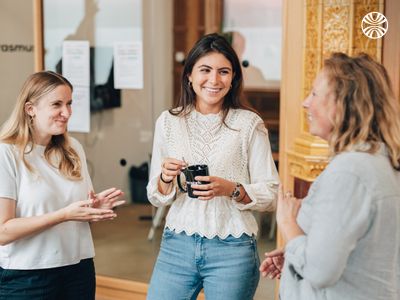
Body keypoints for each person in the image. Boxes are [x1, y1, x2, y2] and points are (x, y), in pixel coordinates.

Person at [146, 33, 279, 300]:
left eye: (224, 72)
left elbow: (272, 193)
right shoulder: (168, 122)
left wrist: (231, 189)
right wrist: (165, 177)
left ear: (233, 79)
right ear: (190, 76)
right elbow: (155, 194)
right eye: (205, 70)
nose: (214, 80)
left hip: (233, 248)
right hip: (177, 244)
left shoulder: (249, 124)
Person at [260, 52, 400, 300]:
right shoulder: (381, 159)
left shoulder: (349, 172)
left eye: (314, 93)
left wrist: (288, 223)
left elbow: (319, 271)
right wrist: (295, 252)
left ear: (342, 103)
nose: (305, 102)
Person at [0, 71, 125, 299]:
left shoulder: (73, 148)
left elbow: (77, 215)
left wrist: (94, 208)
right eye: (56, 104)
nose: (66, 113)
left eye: (69, 103)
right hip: (27, 276)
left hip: (78, 268)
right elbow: (3, 231)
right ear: (30, 109)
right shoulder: (6, 153)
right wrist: (63, 215)